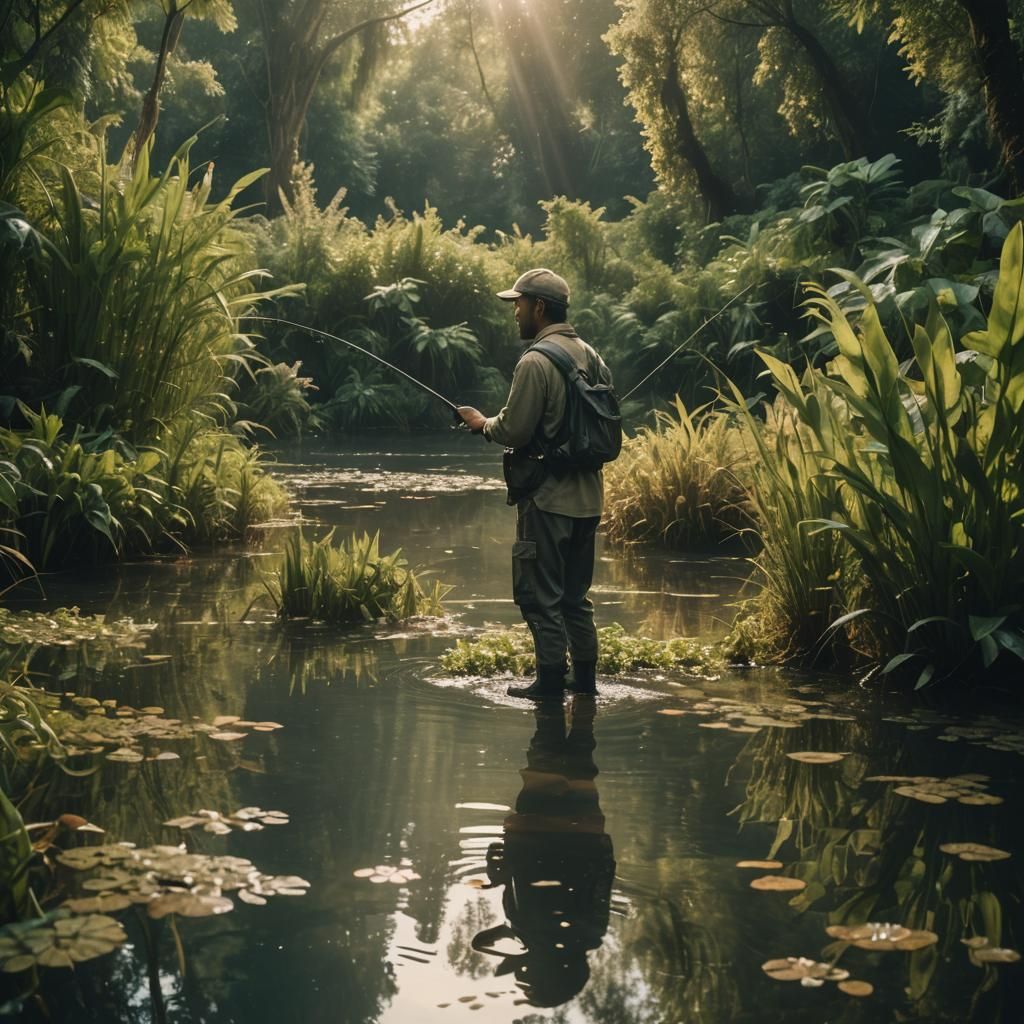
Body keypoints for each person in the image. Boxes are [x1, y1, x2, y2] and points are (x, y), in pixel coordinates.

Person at [457, 268, 613, 700]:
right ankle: (583, 683)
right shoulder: (592, 355)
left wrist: (481, 423)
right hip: (589, 500)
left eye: (518, 305)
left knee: (541, 599)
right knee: (576, 598)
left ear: (539, 307)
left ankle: (547, 685)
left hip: (548, 501)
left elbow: (515, 430)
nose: (515, 314)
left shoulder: (535, 361)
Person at [470, 697, 615, 1007]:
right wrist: (499, 864)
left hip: (579, 826)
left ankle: (573, 688)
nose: (521, 969)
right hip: (538, 826)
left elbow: (604, 871)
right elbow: (512, 871)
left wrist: (497, 868)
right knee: (546, 749)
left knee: (578, 752)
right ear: (545, 971)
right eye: (526, 974)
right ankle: (559, 688)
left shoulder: (587, 934)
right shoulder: (526, 929)